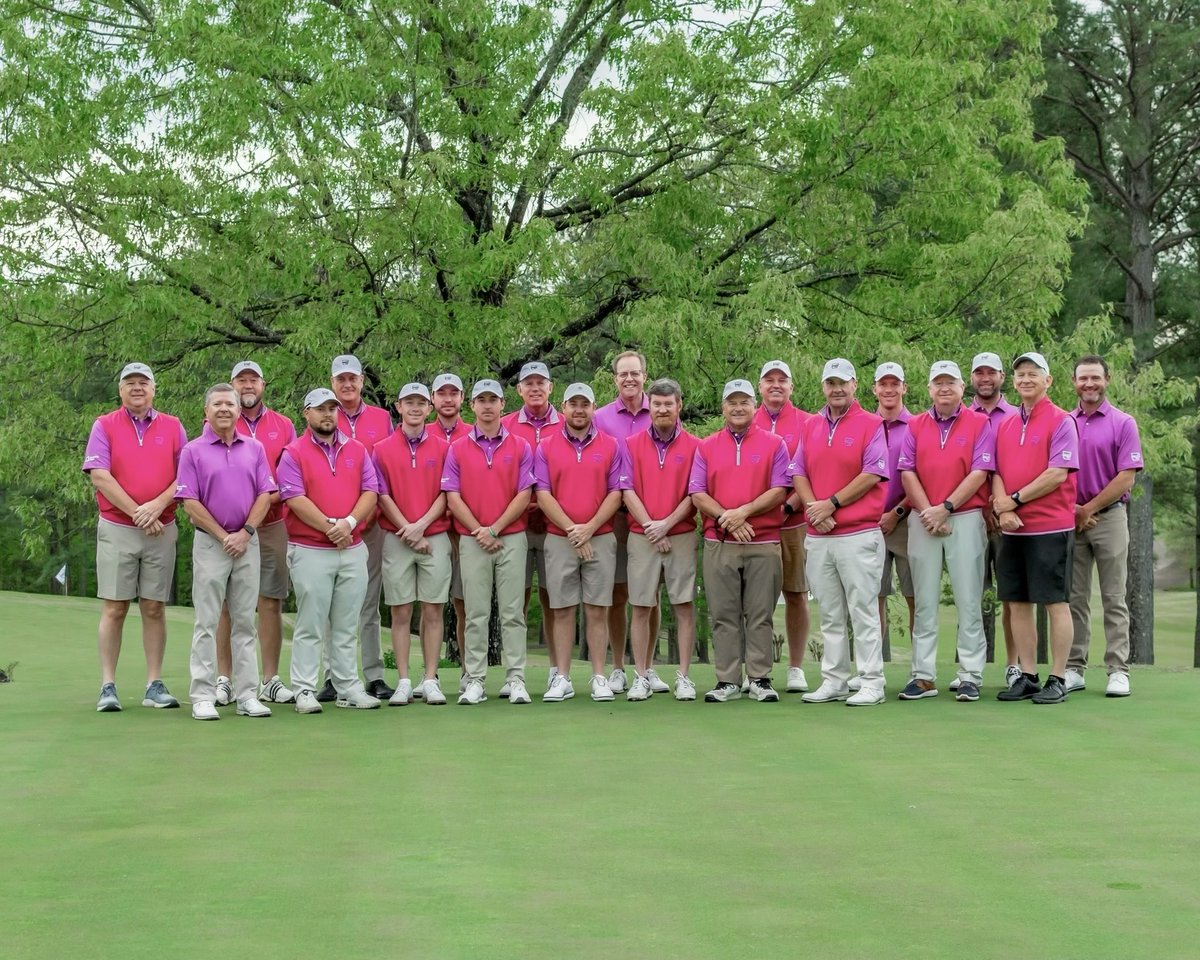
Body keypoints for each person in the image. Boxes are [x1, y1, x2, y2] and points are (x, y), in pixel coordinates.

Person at [84, 363, 188, 712]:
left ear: (154, 390)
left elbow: (186, 476)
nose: (137, 388)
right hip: (118, 527)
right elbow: (100, 476)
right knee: (115, 607)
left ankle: (153, 684)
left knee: (154, 607)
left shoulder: (172, 426)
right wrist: (138, 513)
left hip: (161, 528)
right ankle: (108, 685)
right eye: (130, 383)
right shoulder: (105, 425)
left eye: (144, 383)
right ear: (120, 390)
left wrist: (156, 508)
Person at [276, 388, 383, 713]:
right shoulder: (293, 453)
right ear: (306, 414)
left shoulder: (357, 450)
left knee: (347, 622)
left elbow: (371, 490)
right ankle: (305, 689)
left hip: (351, 547)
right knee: (311, 622)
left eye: (332, 409)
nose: (328, 415)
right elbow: (294, 498)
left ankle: (347, 687)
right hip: (310, 549)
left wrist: (348, 523)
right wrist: (330, 527)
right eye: (320, 409)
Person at [175, 384, 277, 720]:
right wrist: (224, 536)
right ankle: (203, 694)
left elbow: (266, 493)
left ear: (238, 410)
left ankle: (248, 694)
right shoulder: (193, 450)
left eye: (229, 404)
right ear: (206, 411)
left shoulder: (255, 448)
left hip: (247, 542)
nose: (224, 409)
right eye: (217, 404)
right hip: (210, 543)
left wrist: (245, 533)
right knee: (206, 620)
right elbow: (190, 502)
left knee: (246, 621)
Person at [794, 359, 890, 707]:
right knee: (831, 613)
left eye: (842, 382)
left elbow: (872, 473)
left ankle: (871, 682)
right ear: (823, 387)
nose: (836, 389)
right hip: (819, 535)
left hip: (858, 533)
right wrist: (813, 508)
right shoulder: (811, 425)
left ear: (855, 385)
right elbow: (799, 472)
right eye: (830, 383)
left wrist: (831, 504)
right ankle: (833, 679)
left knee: (863, 609)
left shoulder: (871, 424)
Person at [689, 379, 790, 703]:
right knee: (723, 613)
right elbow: (697, 493)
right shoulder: (706, 446)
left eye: (744, 401)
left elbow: (780, 490)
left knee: (759, 613)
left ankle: (759, 678)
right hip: (720, 542)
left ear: (754, 406)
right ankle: (728, 680)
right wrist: (726, 519)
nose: (738, 407)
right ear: (723, 407)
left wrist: (742, 513)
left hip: (763, 541)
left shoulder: (775, 444)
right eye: (732, 402)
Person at [897, 361, 994, 702]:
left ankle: (969, 675)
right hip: (924, 520)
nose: (944, 389)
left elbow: (980, 472)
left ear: (961, 387)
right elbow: (907, 472)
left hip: (964, 517)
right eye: (938, 383)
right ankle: (923, 676)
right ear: (928, 389)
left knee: (968, 598)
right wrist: (928, 511)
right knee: (924, 601)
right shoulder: (915, 424)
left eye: (950, 383)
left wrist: (946, 507)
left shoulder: (979, 423)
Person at [992, 352, 1080, 705]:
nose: (1026, 379)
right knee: (1016, 603)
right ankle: (1027, 675)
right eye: (1020, 374)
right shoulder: (1007, 424)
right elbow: (995, 471)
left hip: (1050, 526)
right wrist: (1002, 508)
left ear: (1048, 381)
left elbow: (1057, 473)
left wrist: (1013, 500)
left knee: (1055, 603)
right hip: (1013, 530)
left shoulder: (1062, 421)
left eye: (1033, 374)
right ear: (1013, 382)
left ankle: (1057, 677)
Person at [443, 379, 537, 705]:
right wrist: (480, 531)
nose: (486, 406)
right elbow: (452, 497)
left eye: (492, 400)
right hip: (473, 541)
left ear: (502, 405)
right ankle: (476, 680)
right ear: (472, 406)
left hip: (510, 537)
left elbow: (525, 494)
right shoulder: (457, 448)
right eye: (480, 400)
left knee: (513, 613)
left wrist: (494, 528)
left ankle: (516, 679)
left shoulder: (521, 446)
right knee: (476, 613)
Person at [533, 383, 628, 702]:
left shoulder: (612, 445)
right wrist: (573, 529)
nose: (579, 410)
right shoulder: (545, 446)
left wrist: (588, 528)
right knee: (561, 610)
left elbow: (616, 493)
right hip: (560, 539)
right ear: (564, 407)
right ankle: (562, 677)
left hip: (600, 538)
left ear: (593, 407)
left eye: (584, 404)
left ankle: (599, 676)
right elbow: (542, 493)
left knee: (598, 609)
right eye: (573, 404)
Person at [212, 360, 298, 707]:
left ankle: (270, 679)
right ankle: (225, 679)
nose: (247, 385)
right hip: (227, 528)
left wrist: (259, 505)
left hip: (272, 523)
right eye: (241, 380)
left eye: (253, 380)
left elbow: (291, 477)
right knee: (226, 605)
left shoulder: (283, 425)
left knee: (270, 601)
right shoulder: (215, 422)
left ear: (263, 384)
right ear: (232, 385)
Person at [1066, 355, 1143, 697]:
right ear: (1074, 383)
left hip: (1108, 517)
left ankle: (1117, 670)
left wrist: (1089, 509)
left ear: (1107, 380)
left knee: (1114, 596)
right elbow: (1054, 472)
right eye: (1083, 378)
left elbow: (1126, 477)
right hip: (1070, 519)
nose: (1089, 384)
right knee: (1074, 598)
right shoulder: (1064, 422)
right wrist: (1074, 510)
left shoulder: (1123, 422)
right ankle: (1074, 667)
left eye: (1095, 378)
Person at [373, 383, 452, 706]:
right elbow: (381, 493)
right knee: (401, 610)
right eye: (409, 402)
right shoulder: (381, 448)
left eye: (421, 402)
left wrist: (420, 527)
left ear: (429, 408)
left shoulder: (445, 448)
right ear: (398, 407)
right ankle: (404, 680)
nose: (416, 408)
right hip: (397, 538)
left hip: (434, 537)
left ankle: (430, 678)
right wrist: (408, 529)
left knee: (433, 610)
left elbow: (448, 493)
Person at [622, 378, 700, 701]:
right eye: (657, 404)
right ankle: (640, 674)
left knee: (683, 605)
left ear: (679, 406)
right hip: (642, 536)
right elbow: (626, 490)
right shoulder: (630, 444)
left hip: (680, 535)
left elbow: (695, 493)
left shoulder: (697, 446)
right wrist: (652, 527)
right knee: (641, 606)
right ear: (648, 407)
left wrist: (666, 525)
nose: (663, 409)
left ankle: (683, 676)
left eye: (669, 404)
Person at [328, 354, 395, 702]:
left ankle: (373, 674)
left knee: (368, 603)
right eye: (341, 379)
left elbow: (387, 473)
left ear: (362, 382)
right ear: (332, 383)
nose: (347, 384)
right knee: (331, 603)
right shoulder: (323, 414)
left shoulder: (382, 419)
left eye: (352, 378)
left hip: (370, 526)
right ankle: (330, 676)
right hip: (331, 530)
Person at [593, 350, 653, 694]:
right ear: (614, 379)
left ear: (644, 375)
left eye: (635, 373)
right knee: (617, 594)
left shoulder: (660, 409)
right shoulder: (601, 418)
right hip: (613, 517)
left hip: (650, 520)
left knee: (648, 597)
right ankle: (617, 667)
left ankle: (647, 667)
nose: (629, 379)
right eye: (622, 375)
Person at [752, 360, 812, 693]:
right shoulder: (747, 417)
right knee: (755, 599)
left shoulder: (808, 421)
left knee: (796, 593)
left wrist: (789, 505)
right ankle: (755, 667)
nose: (776, 385)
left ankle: (795, 667)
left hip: (794, 521)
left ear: (791, 386)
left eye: (782, 380)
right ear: (759, 386)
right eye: (769, 380)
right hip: (757, 527)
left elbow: (812, 472)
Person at [501, 361, 561, 687]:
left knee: (553, 599)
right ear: (519, 390)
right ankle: (516, 674)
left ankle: (556, 670)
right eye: (529, 383)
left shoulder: (567, 424)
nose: (535, 388)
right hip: (516, 526)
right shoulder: (506, 424)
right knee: (516, 600)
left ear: (551, 387)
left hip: (555, 527)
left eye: (541, 382)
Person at [969, 351, 1021, 689]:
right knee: (969, 594)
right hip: (970, 516)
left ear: (1002, 377)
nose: (985, 379)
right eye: (979, 373)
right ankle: (969, 669)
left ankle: (1014, 665)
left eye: (992, 373)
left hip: (1008, 517)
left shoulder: (1018, 416)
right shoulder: (959, 416)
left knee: (1011, 595)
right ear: (971, 379)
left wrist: (1003, 508)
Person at [871, 362, 914, 672]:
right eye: (883, 384)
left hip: (906, 521)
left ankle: (920, 668)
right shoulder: (864, 426)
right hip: (868, 524)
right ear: (874, 389)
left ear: (904, 388)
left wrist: (897, 512)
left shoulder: (917, 425)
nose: (889, 389)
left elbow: (926, 478)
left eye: (894, 384)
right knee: (874, 598)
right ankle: (872, 669)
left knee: (915, 596)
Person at [430, 372, 471, 675]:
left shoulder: (473, 433)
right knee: (428, 605)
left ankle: (469, 674)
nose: (447, 399)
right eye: (441, 393)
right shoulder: (418, 431)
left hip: (464, 535)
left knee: (465, 607)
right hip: (431, 533)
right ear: (433, 398)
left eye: (453, 393)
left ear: (461, 398)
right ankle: (425, 675)